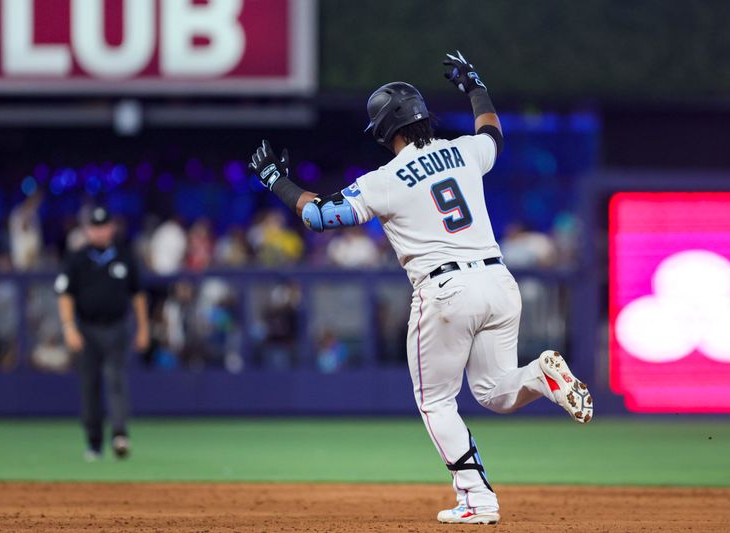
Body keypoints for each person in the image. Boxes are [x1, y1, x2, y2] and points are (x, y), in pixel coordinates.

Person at [248, 51, 593, 525]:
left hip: (446, 289)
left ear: (387, 131)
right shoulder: (465, 151)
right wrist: (475, 86)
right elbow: (492, 132)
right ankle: (542, 376)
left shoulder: (385, 180)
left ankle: (477, 497)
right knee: (494, 392)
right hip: (498, 279)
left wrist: (277, 181)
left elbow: (319, 215)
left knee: (435, 402)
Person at [55, 207, 149, 461]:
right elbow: (65, 294)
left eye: (103, 226)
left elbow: (137, 295)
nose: (99, 231)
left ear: (111, 228)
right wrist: (68, 327)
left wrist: (143, 328)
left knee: (116, 379)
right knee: (90, 386)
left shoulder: (124, 255)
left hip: (117, 326)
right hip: (86, 329)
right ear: (87, 230)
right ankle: (94, 442)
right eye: (94, 227)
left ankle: (120, 433)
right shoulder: (77, 258)